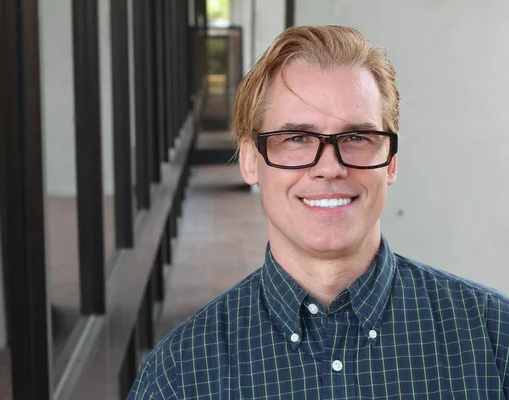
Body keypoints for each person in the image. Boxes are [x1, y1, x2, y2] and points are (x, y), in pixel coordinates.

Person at [127, 25, 509, 399]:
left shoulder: (496, 339)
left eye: (357, 137)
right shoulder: (180, 375)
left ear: (390, 162)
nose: (330, 167)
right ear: (249, 161)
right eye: (297, 138)